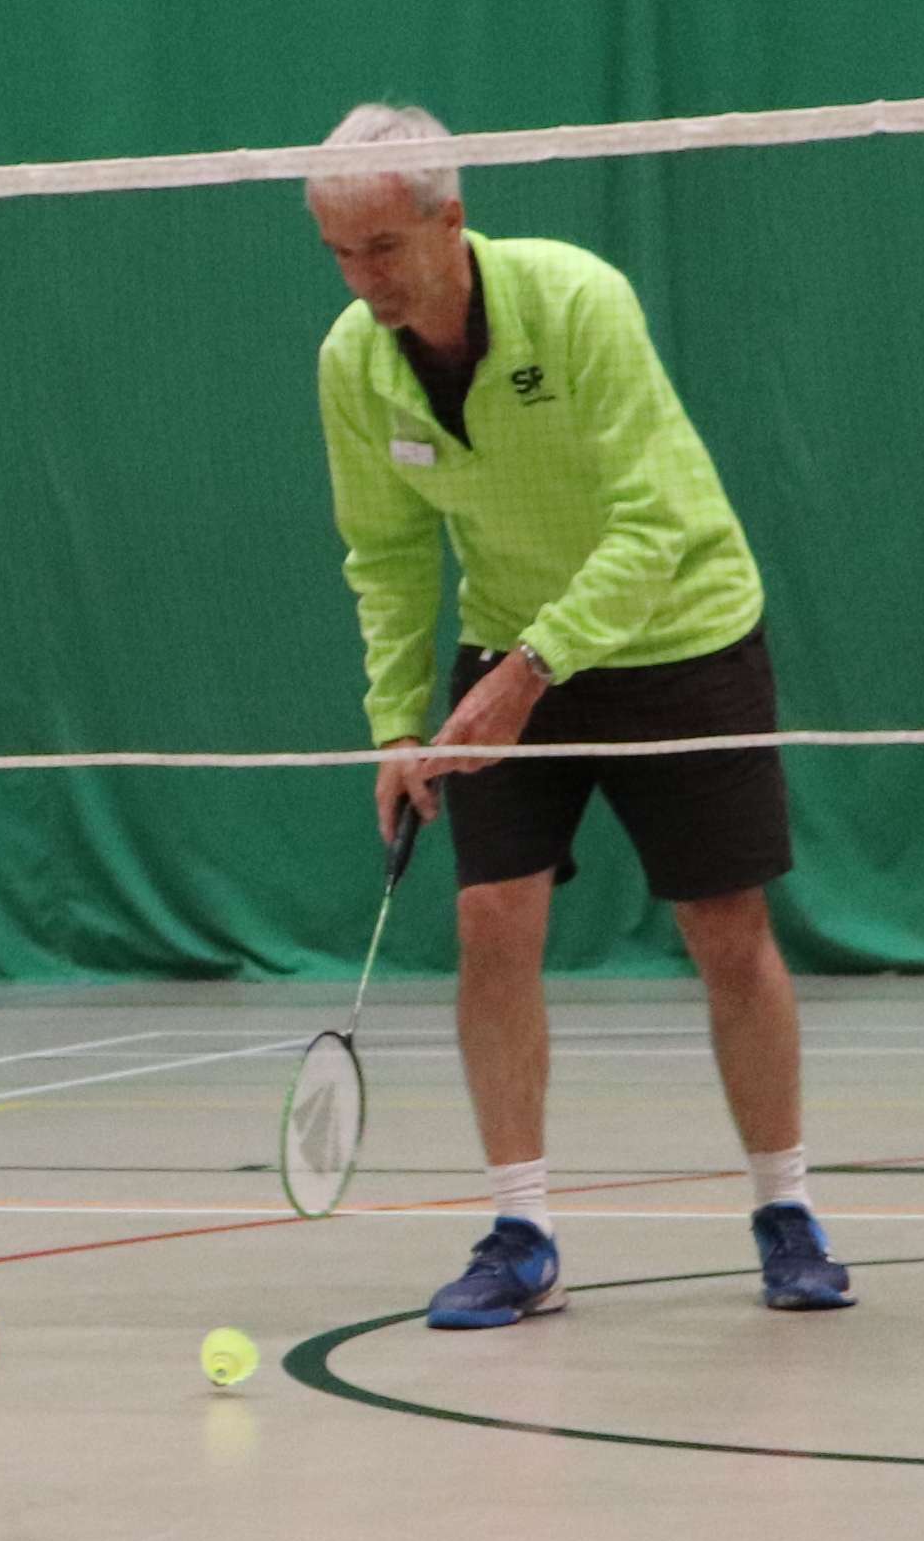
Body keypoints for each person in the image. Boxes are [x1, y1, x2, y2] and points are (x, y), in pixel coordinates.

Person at [310, 103, 849, 1325]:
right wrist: (399, 723)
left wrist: (527, 675)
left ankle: (786, 1205)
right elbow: (386, 553)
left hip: (680, 630)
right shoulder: (354, 360)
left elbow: (656, 524)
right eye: (339, 254)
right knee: (493, 921)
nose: (363, 279)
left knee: (724, 929)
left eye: (383, 248)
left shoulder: (578, 300)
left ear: (451, 219)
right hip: (513, 643)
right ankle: (522, 1230)